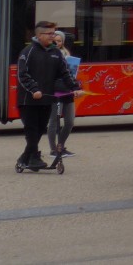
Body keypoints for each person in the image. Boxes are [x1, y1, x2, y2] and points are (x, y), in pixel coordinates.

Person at [15, 21, 76, 170]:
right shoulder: (27, 52)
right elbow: (22, 75)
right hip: (28, 100)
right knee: (32, 130)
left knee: (41, 129)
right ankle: (33, 157)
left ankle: (25, 158)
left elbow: (65, 73)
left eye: (54, 33)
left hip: (47, 99)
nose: (53, 36)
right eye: (50, 34)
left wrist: (75, 86)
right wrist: (34, 89)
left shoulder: (56, 53)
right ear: (39, 35)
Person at [47, 30, 81, 158]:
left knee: (70, 122)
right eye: (55, 41)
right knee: (54, 122)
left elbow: (71, 74)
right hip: (55, 92)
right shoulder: (49, 54)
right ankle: (53, 149)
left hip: (67, 91)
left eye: (59, 41)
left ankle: (60, 146)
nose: (57, 43)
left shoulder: (67, 54)